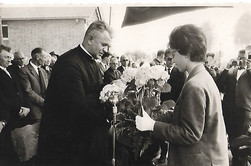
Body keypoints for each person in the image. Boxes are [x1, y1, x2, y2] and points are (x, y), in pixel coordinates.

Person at [135, 24, 229, 166]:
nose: (172, 60)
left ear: (187, 53)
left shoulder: (194, 85)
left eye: (173, 55)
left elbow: (189, 133)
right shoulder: (202, 77)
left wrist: (152, 125)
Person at [37, 20, 113, 166]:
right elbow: (77, 106)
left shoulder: (92, 62)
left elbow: (96, 90)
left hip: (83, 137)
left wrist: (110, 89)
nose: (106, 50)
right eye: (104, 45)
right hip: (66, 143)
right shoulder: (69, 62)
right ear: (90, 39)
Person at [0, 45, 30, 165]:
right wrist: (18, 109)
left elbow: (21, 90)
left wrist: (26, 107)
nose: (10, 60)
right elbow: (2, 97)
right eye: (6, 57)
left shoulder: (11, 70)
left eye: (10, 57)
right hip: (6, 117)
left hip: (18, 116)